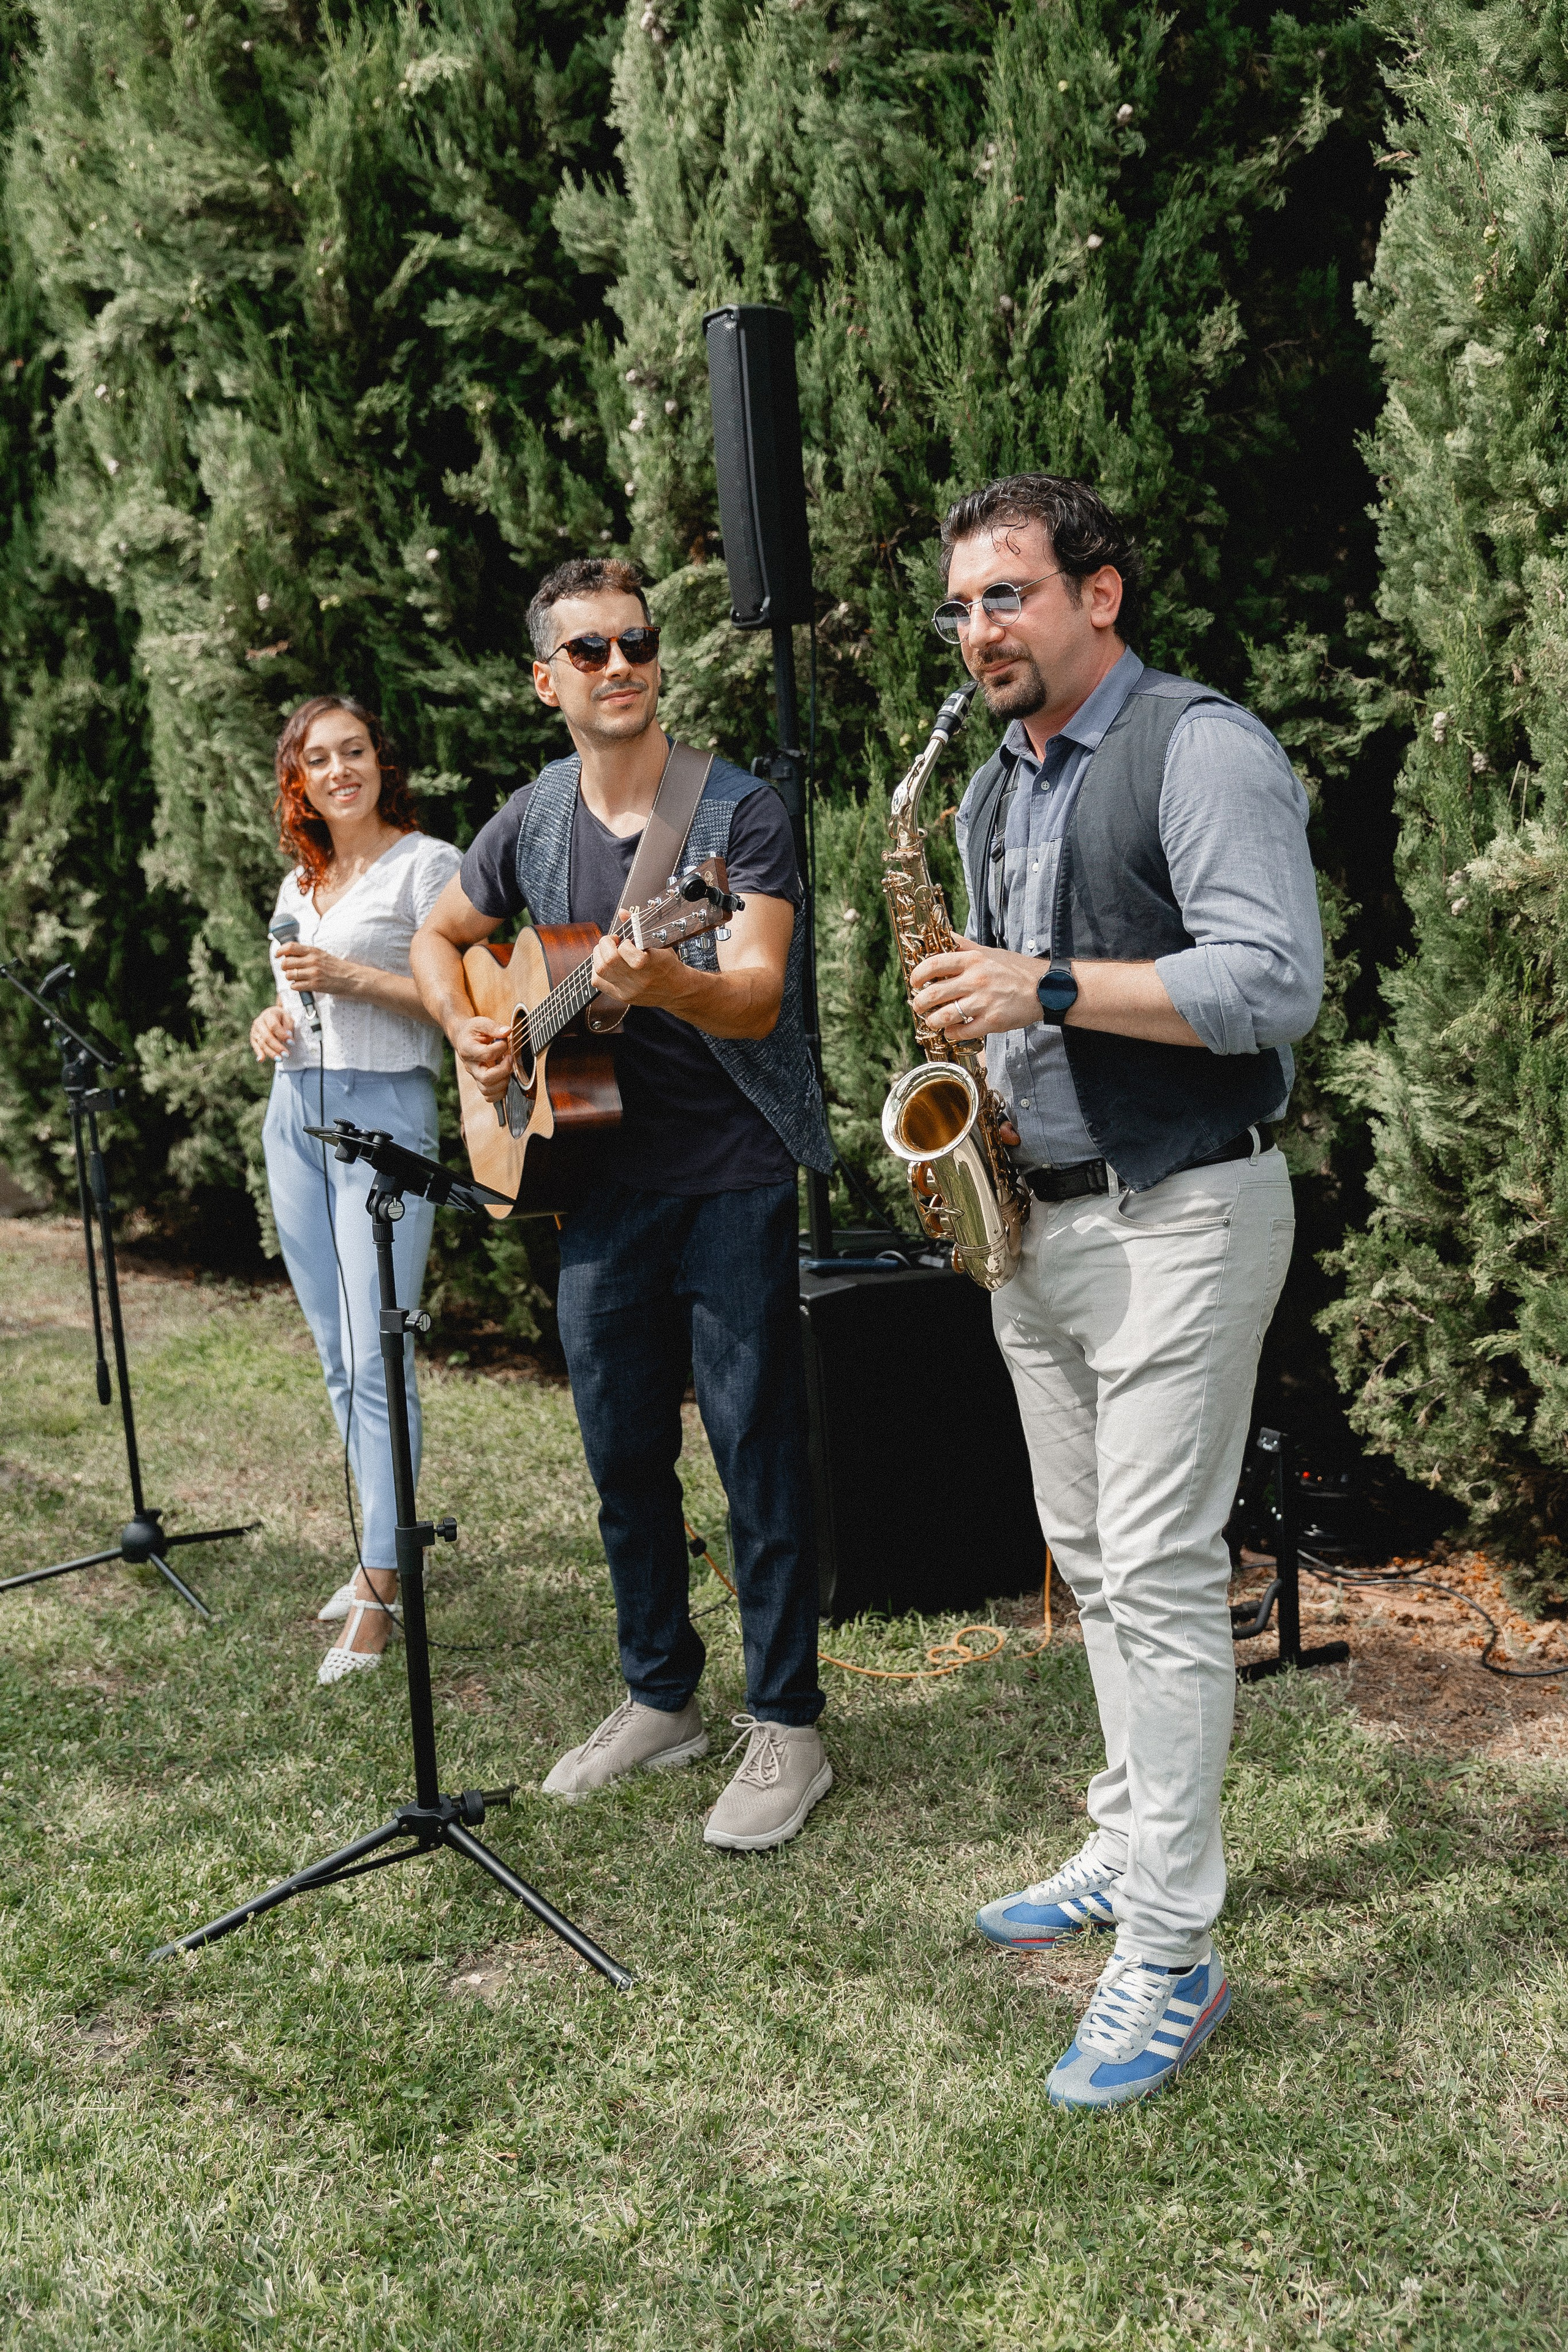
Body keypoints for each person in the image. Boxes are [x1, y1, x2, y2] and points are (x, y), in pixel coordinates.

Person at [910, 474, 1323, 2110]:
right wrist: (983, 1063)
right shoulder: (995, 787)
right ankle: (1127, 1837)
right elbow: (1008, 995)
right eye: (962, 606)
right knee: (1090, 1561)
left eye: (1007, 596)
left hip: (1182, 1217)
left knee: (1152, 1574)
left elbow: (1273, 982)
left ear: (1102, 596)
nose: (978, 631)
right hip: (1043, 1223)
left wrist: (1046, 986)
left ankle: (1169, 1947)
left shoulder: (1200, 747)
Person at [410, 554, 835, 1852]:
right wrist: (476, 1034)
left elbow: (754, 987)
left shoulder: (736, 815)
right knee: (619, 1455)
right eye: (587, 651)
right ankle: (661, 1694)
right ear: (546, 679)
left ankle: (787, 1725)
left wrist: (668, 985)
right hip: (593, 1180)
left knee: (755, 1447)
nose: (619, 667)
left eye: (635, 643)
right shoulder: (531, 818)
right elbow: (440, 938)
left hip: (732, 1170)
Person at [250, 695, 460, 1686]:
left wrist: (348, 977)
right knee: (338, 1355)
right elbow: (295, 992)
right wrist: (272, 1021)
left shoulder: (430, 867)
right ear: (299, 779)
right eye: (319, 759)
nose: (341, 770)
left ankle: (386, 1580)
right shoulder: (302, 877)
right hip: (295, 1113)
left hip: (385, 1119)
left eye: (356, 752)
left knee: (380, 1355)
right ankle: (381, 1543)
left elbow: (459, 1001)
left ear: (382, 762)